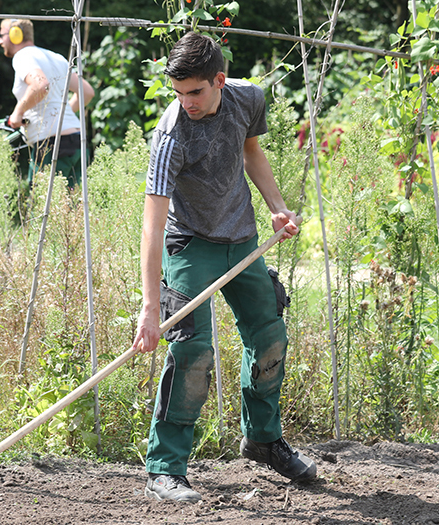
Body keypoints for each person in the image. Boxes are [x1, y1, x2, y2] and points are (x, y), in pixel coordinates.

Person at [132, 32, 316, 504]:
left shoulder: (248, 99)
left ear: (220, 79)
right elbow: (152, 226)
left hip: (242, 238)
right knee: (194, 349)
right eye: (178, 93)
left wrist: (276, 206)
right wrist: (151, 308)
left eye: (195, 91)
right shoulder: (170, 135)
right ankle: (165, 470)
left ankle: (261, 439)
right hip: (190, 243)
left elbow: (250, 150)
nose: (186, 102)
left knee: (270, 334)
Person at [0, 18, 95, 188]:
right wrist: (64, 115)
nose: (0, 41)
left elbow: (40, 85)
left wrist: (17, 113)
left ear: (15, 35)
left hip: (53, 144)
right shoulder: (55, 57)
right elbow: (87, 92)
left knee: (43, 203)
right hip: (78, 141)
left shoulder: (23, 56)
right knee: (72, 206)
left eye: (2, 35)